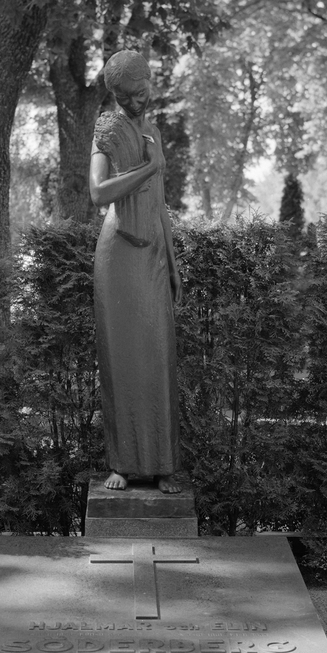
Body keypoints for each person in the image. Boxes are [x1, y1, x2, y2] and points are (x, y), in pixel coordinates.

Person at [89, 50, 182, 494]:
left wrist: (174, 264)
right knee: (121, 360)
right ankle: (122, 464)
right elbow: (98, 192)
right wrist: (147, 168)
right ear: (115, 95)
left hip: (154, 252)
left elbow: (159, 201)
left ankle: (163, 465)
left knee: (159, 358)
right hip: (119, 253)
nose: (136, 102)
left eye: (141, 92)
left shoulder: (153, 132)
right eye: (126, 96)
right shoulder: (106, 130)